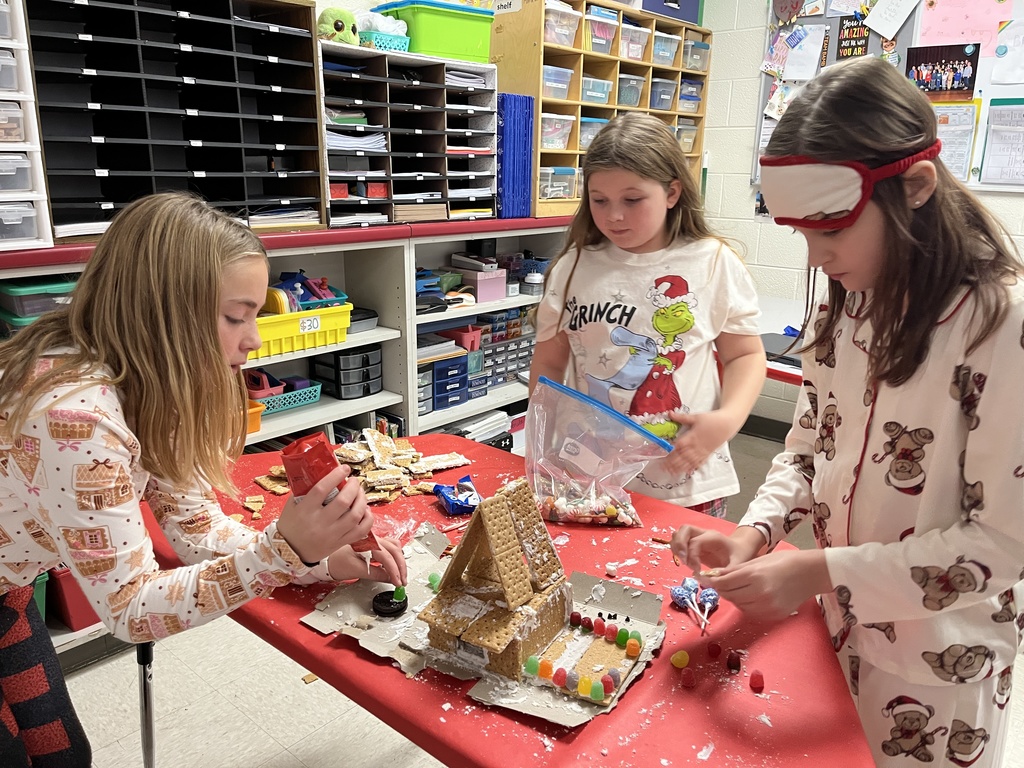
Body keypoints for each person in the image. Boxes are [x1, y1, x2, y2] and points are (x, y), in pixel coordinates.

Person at [672, 56, 1023, 767]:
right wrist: (756, 533)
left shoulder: (1000, 325)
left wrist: (818, 570)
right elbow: (807, 446)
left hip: (940, 667)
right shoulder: (848, 304)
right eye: (801, 233)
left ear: (917, 187)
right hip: (838, 635)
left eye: (829, 231)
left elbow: (1001, 543)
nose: (815, 255)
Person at [0, 193, 407, 766]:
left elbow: (194, 526)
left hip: (9, 590)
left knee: (61, 756)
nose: (255, 340)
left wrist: (315, 557)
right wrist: (281, 551)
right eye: (236, 316)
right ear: (161, 312)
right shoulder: (75, 415)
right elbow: (130, 609)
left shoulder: (148, 379)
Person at [529, 113, 766, 518]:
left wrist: (725, 421)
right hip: (587, 471)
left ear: (672, 192)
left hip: (682, 477)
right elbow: (550, 362)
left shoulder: (712, 263)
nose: (613, 216)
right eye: (599, 200)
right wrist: (540, 443)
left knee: (677, 579)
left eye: (632, 199)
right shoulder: (574, 266)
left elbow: (745, 356)